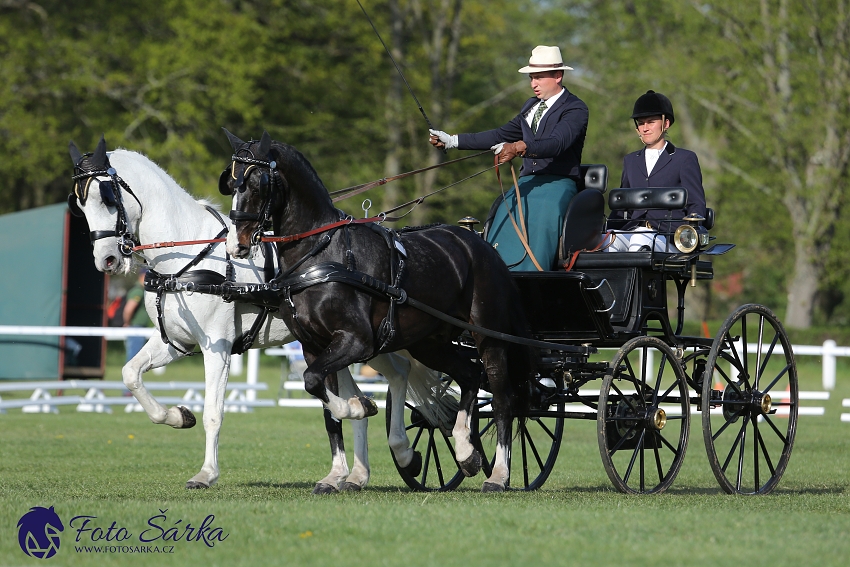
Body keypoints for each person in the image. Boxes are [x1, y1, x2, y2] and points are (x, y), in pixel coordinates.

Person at [429, 45, 588, 270]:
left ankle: (535, 276)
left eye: (539, 78)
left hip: (558, 182)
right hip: (527, 182)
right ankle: (497, 274)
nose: (533, 83)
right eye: (532, 78)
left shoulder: (575, 108)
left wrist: (520, 146)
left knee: (541, 215)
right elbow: (500, 135)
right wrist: (453, 141)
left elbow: (557, 143)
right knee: (503, 211)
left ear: (558, 76)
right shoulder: (530, 106)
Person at [607, 90, 706, 252]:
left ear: (665, 124)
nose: (645, 128)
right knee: (606, 242)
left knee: (639, 239)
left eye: (650, 122)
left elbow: (696, 203)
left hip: (670, 236)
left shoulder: (684, 159)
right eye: (641, 123)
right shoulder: (630, 161)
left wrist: (689, 234)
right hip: (634, 230)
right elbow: (623, 204)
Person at [123, 269, 152, 362]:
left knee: (136, 356)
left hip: (138, 327)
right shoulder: (138, 291)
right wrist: (127, 323)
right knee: (134, 357)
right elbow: (128, 309)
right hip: (135, 327)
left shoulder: (142, 290)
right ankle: (129, 376)